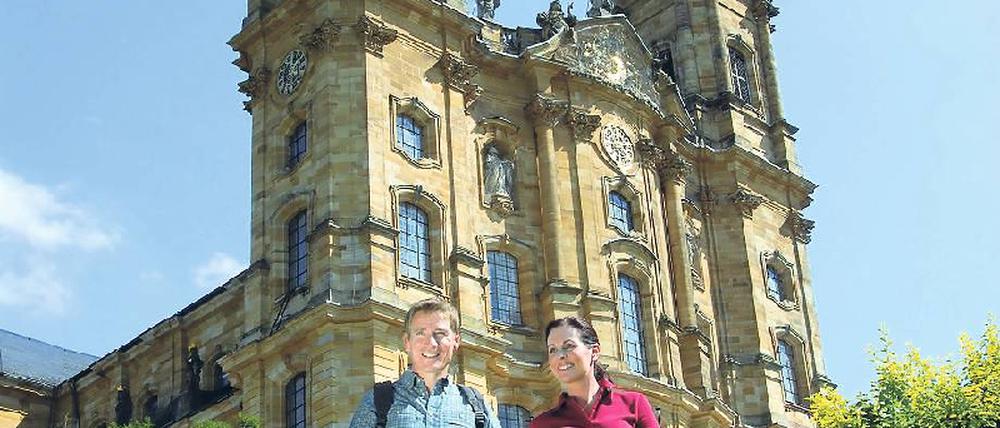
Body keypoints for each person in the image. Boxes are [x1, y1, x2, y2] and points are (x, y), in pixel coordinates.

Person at [350, 298, 503, 428]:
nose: (431, 344)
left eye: (440, 334)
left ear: (456, 341)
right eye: (420, 333)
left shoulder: (477, 406)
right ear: (407, 342)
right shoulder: (377, 401)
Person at [530, 316, 659, 428]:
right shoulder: (542, 424)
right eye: (552, 350)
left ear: (595, 352)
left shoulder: (634, 403)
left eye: (569, 346)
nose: (560, 355)